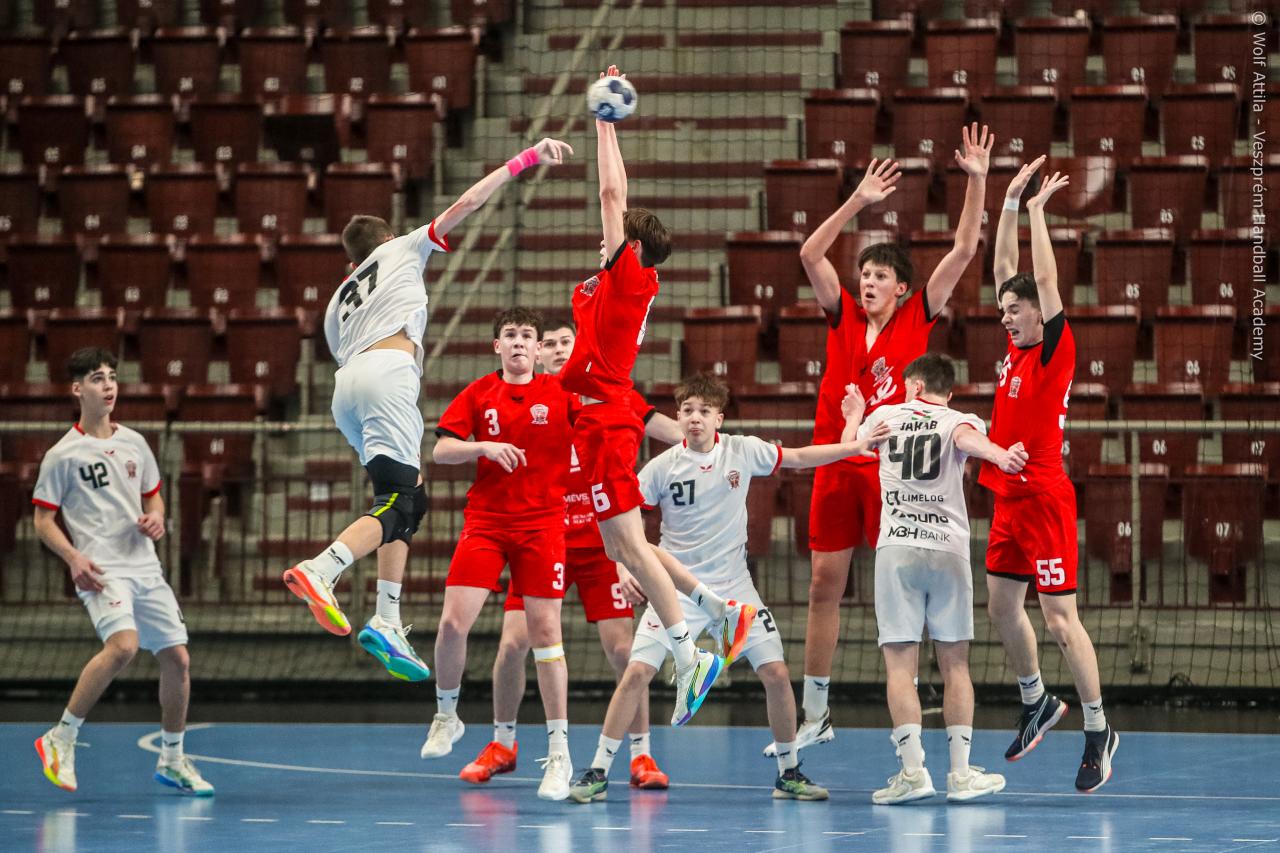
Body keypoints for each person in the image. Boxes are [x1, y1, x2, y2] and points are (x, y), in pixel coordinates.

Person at [280, 137, 573, 682]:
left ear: (351, 262)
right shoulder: (401, 248)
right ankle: (324, 568)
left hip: (346, 389)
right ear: (387, 240)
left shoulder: (337, 300)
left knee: (406, 500)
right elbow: (467, 202)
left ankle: (387, 619)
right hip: (388, 375)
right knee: (401, 499)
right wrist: (525, 159)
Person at [772, 124, 993, 758]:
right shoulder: (841, 313)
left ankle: (913, 703)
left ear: (900, 287)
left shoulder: (919, 315)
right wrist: (857, 201)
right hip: (838, 460)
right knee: (823, 583)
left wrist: (977, 179)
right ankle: (816, 711)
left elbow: (964, 249)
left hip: (895, 474)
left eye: (879, 276)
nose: (867, 282)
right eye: (863, 273)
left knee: (901, 590)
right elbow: (810, 254)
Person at [568, 373, 891, 803]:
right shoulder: (661, 468)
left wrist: (853, 446)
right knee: (637, 672)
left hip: (735, 588)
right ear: (677, 417)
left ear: (718, 418)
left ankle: (789, 772)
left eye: (704, 411)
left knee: (776, 674)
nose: (694, 418)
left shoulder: (742, 450)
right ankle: (597, 769)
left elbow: (799, 456)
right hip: (676, 590)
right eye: (687, 411)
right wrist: (622, 569)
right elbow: (620, 525)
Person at [558, 65, 755, 730]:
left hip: (607, 418)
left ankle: (690, 651)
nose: (604, 237)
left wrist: (603, 124)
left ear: (633, 246)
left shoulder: (628, 278)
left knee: (630, 546)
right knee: (621, 546)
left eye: (615, 235)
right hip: (596, 418)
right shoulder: (606, 285)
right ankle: (709, 619)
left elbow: (611, 192)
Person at [460, 318, 682, 789]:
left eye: (568, 342)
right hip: (544, 536)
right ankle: (503, 743)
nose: (560, 349)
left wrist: (709, 439)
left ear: (580, 348)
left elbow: (660, 425)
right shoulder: (530, 397)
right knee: (512, 646)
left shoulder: (605, 392)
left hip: (603, 544)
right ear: (538, 353)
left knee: (624, 651)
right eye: (552, 344)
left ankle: (641, 754)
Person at [985, 159, 1119, 792]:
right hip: (1007, 499)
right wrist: (1009, 201)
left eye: (1015, 310)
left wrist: (1038, 211)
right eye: (1004, 311)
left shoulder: (1054, 350)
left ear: (1041, 314)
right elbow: (1004, 270)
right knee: (1001, 606)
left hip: (1044, 499)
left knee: (1061, 621)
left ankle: (1098, 729)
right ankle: (1037, 700)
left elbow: (1042, 278)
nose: (1006, 316)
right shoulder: (1014, 350)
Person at [840, 354, 1027, 804]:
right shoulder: (959, 418)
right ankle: (960, 775)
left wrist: (853, 415)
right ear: (949, 391)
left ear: (916, 385)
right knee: (956, 665)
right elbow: (968, 440)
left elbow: (849, 449)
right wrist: (1000, 455)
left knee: (899, 668)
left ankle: (913, 772)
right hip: (947, 551)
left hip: (897, 551)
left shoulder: (885, 415)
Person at [31, 348, 213, 796]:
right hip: (101, 569)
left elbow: (153, 496)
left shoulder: (135, 442)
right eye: (97, 378)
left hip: (145, 566)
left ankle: (172, 759)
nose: (108, 385)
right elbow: (42, 520)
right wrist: (74, 558)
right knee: (124, 646)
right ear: (78, 389)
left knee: (177, 659)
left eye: (112, 376)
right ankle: (61, 737)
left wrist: (157, 518)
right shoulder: (62, 455)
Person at [425, 307, 582, 800]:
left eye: (527, 335)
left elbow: (603, 426)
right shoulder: (479, 393)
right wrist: (483, 447)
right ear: (497, 346)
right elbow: (440, 451)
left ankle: (559, 753)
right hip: (487, 523)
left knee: (546, 635)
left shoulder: (562, 394)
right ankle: (446, 715)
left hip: (543, 525)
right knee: (453, 624)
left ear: (538, 348)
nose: (518, 342)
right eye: (510, 335)